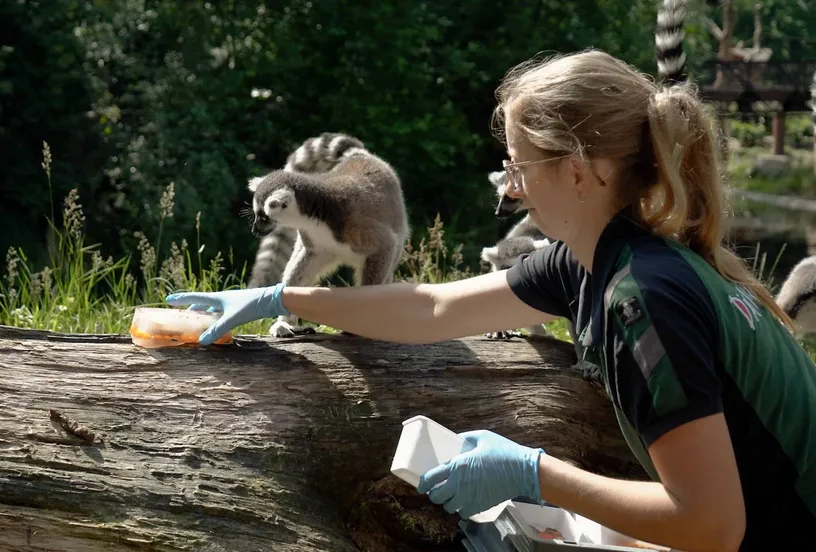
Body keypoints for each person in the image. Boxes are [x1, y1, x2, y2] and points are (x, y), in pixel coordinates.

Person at [165, 49, 816, 551]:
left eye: (520, 165)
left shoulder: (640, 302)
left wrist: (536, 475)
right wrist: (283, 297)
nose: (513, 186)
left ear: (580, 171)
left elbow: (711, 524)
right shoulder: (598, 259)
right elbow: (432, 308)